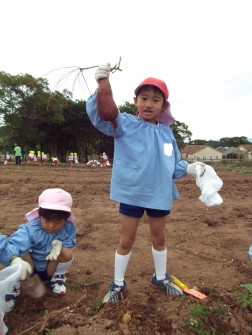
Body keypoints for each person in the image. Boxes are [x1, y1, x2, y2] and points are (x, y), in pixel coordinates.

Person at [86, 63, 206, 303]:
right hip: (132, 192)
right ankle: (118, 283)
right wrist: (102, 85)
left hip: (158, 194)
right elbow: (103, 115)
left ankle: (160, 277)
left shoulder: (167, 133)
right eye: (144, 98)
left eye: (155, 100)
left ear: (163, 106)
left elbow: (173, 164)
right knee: (125, 240)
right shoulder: (125, 123)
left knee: (159, 239)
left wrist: (190, 168)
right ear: (135, 101)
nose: (149, 104)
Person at [0, 188, 77, 307]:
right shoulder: (30, 229)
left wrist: (60, 246)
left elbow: (69, 244)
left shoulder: (68, 227)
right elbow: (12, 245)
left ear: (66, 219)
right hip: (29, 267)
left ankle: (57, 276)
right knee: (18, 251)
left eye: (58, 221)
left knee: (67, 253)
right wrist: (16, 259)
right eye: (46, 220)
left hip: (48, 267)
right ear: (40, 215)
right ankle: (15, 283)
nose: (51, 226)